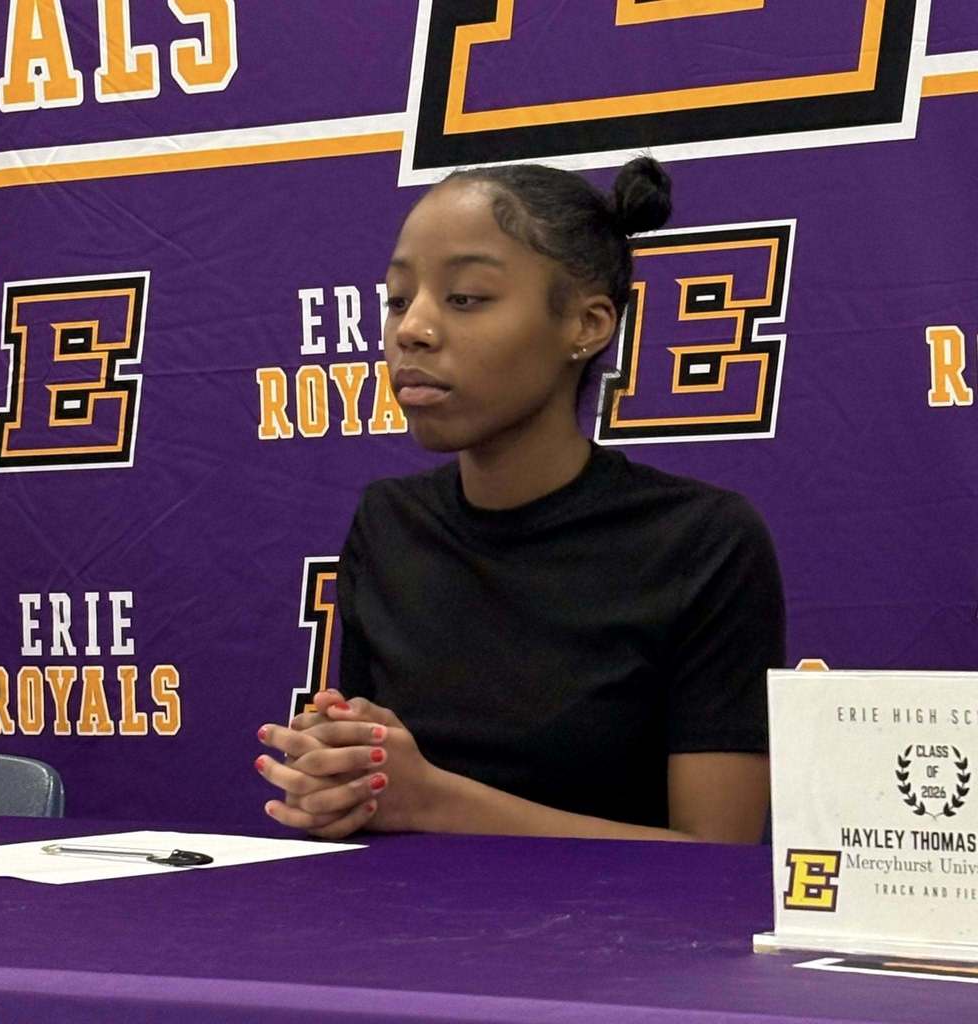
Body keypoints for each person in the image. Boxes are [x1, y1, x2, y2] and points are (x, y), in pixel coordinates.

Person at [255, 157, 785, 843]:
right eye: (396, 299)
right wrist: (337, 781)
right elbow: (377, 796)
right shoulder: (390, 523)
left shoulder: (704, 542)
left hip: (622, 945)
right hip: (396, 933)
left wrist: (435, 802)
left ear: (587, 325)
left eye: (466, 298)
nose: (412, 329)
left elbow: (719, 857)